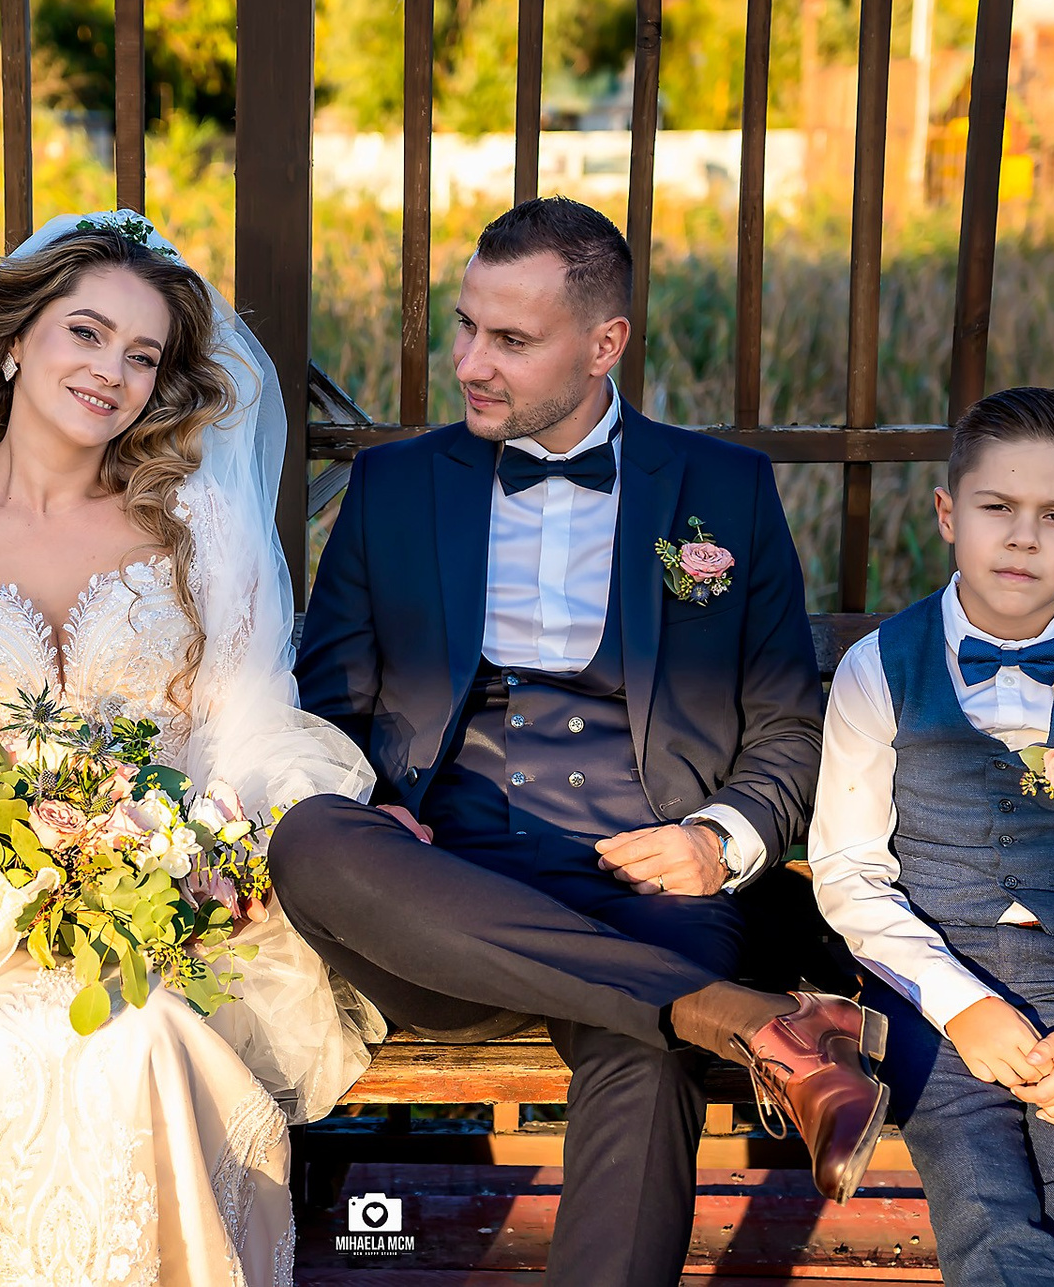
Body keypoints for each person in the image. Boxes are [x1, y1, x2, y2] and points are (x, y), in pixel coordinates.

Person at [267, 195, 890, 1287]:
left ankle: (707, 1013)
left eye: (511, 339)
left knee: (646, 1053)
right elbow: (326, 707)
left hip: (654, 888)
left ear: (605, 345)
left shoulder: (723, 490)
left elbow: (789, 723)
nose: (471, 362)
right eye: (467, 326)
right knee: (311, 835)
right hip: (448, 898)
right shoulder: (395, 487)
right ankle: (751, 1024)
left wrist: (719, 839)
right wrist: (372, 803)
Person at [0, 211, 380, 1287]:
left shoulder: (195, 527)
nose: (110, 373)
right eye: (85, 333)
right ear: (16, 340)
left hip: (170, 896)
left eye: (141, 355)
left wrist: (218, 866)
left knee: (139, 1037)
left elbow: (248, 721)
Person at [808, 386, 1054, 1285]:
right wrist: (962, 1003)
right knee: (982, 1197)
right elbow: (848, 871)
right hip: (928, 979)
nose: (1024, 538)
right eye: (998, 508)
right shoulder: (879, 669)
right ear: (950, 514)